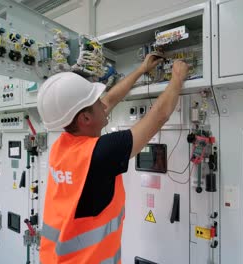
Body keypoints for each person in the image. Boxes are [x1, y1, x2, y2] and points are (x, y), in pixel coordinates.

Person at [36, 54, 189, 264]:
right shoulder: (100, 154)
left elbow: (108, 101)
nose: (103, 103)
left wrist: (141, 69)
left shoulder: (61, 146)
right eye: (96, 101)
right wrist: (178, 77)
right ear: (86, 119)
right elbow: (160, 114)